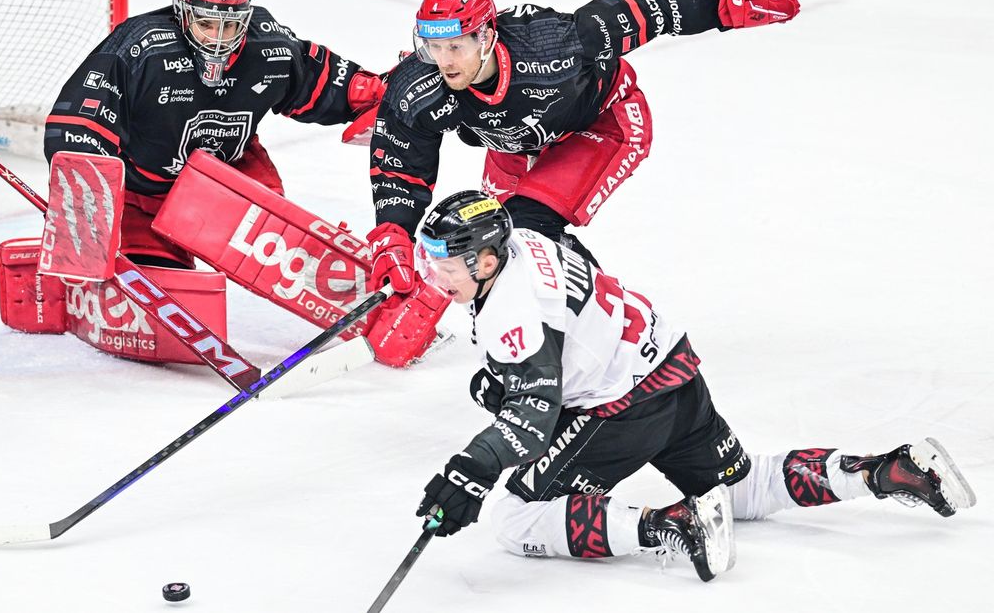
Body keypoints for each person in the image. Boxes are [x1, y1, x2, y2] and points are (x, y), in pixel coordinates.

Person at [410, 190, 976, 581]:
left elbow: (532, 414)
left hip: (625, 407)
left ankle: (669, 525)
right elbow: (573, 308)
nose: (435, 274)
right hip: (672, 371)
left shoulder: (511, 309)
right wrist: (520, 378)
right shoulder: (526, 241)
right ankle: (887, 470)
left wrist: (470, 472)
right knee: (740, 486)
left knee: (513, 517)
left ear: (487, 260)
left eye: (446, 262)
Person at [366, 0, 799, 298]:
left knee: (524, 230)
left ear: (486, 35)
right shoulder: (419, 85)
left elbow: (638, 12)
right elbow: (400, 164)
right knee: (488, 245)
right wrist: (393, 234)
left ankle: (612, 324)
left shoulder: (553, 46)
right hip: (514, 146)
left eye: (455, 47)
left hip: (603, 124)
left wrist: (721, 6)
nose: (443, 61)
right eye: (432, 48)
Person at [44, 0, 385, 269]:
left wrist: (379, 95)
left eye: (230, 26)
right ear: (183, 13)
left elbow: (323, 81)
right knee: (158, 280)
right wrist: (84, 204)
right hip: (143, 194)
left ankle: (339, 279)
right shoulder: (142, 46)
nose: (218, 38)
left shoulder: (270, 48)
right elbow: (80, 123)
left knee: (281, 251)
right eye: (207, 24)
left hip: (228, 182)